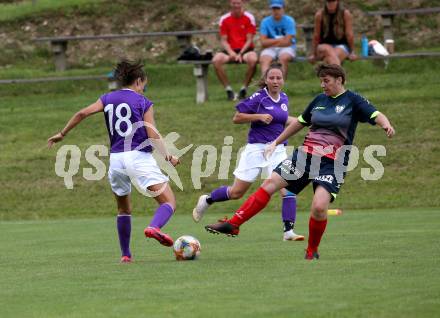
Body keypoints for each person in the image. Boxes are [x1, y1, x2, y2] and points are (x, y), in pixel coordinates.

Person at [205, 64, 395, 260]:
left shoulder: (353, 101)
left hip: (332, 163)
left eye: (326, 81)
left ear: (339, 80)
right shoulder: (319, 100)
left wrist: (386, 124)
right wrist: (276, 142)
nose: (323, 85)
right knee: (269, 184)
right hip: (304, 157)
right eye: (321, 81)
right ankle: (234, 224)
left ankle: (312, 250)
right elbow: (299, 122)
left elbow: (376, 114)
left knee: (319, 207)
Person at [47, 60, 180, 263]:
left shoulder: (108, 98)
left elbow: (82, 113)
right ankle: (154, 227)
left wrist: (61, 133)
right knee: (168, 202)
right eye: (144, 83)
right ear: (138, 80)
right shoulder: (143, 102)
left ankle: (125, 255)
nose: (144, 87)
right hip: (138, 157)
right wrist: (168, 156)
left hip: (116, 160)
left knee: (123, 209)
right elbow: (151, 132)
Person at [193, 62, 304, 241]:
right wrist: (258, 116)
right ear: (266, 80)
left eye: (279, 78)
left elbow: (281, 120)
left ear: (283, 80)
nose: (275, 81)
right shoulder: (259, 97)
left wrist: (302, 121)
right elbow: (237, 117)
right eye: (272, 78)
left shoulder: (284, 98)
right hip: (256, 149)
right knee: (237, 192)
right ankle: (207, 200)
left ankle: (288, 232)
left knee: (288, 189)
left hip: (277, 149)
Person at [213, 0, 258, 100]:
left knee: (253, 60)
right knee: (216, 60)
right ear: (230, 3)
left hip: (245, 49)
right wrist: (231, 53)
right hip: (230, 50)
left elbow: (249, 39)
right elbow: (224, 40)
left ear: (242, 3)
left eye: (238, 3)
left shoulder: (249, 18)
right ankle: (228, 90)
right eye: (234, 3)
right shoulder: (224, 19)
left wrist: (241, 53)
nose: (236, 5)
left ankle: (244, 89)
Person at [308, 0, 357, 65]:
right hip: (323, 45)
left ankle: (332, 73)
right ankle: (339, 73)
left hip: (341, 45)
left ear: (337, 1)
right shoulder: (320, 15)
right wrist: (313, 54)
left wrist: (352, 52)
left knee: (330, 59)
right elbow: (316, 36)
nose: (330, 4)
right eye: (328, 1)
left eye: (333, 1)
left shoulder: (345, 14)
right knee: (328, 49)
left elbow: (349, 35)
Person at [259, 0, 297, 78]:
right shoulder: (265, 21)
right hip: (270, 48)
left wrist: (269, 41)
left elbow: (287, 42)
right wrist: (280, 39)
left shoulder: (290, 20)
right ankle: (265, 84)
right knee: (264, 59)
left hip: (287, 47)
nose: (276, 11)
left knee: (283, 58)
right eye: (273, 9)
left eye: (278, 8)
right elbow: (263, 42)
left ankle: (280, 85)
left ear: (283, 9)